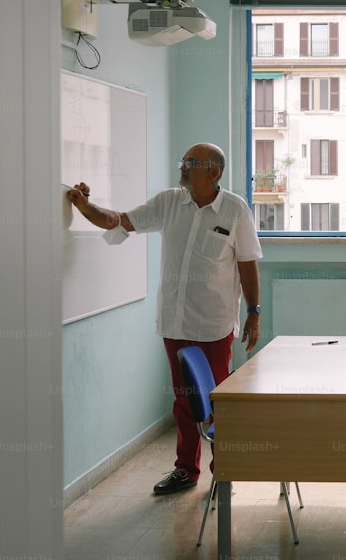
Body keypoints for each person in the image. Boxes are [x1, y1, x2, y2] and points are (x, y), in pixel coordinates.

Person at [68, 142, 263, 496]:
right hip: (174, 323)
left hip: (214, 324)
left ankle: (225, 472)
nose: (182, 168)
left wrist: (253, 313)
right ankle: (186, 470)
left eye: (190, 163)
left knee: (219, 402)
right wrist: (84, 206)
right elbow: (119, 222)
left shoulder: (235, 209)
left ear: (213, 172)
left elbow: (247, 263)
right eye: (182, 161)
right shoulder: (169, 201)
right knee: (184, 401)